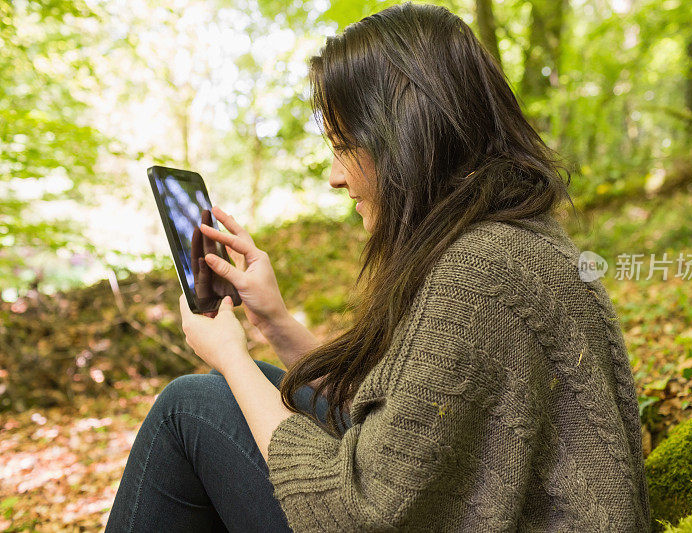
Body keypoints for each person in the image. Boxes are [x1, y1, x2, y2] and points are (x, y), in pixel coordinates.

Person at [106, 2, 651, 531]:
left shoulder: (479, 271)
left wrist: (231, 356)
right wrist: (273, 322)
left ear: (406, 141)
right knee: (245, 392)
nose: (334, 177)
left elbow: (359, 512)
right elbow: (406, 427)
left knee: (192, 408)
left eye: (345, 147)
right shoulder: (512, 242)